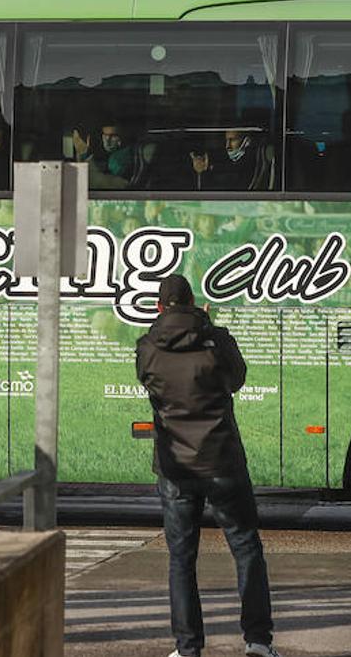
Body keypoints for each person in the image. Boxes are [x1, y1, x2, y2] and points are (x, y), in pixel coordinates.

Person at [135, 274, 278, 657]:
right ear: (193, 301)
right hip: (222, 461)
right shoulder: (216, 342)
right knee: (246, 548)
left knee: (182, 559)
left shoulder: (148, 347)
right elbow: (237, 379)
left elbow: (148, 378)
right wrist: (209, 326)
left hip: (175, 467)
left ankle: (187, 648)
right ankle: (258, 641)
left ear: (158, 307)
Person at [190, 130, 274, 191]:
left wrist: (209, 167)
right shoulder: (225, 159)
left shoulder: (255, 158)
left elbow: (239, 167)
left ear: (246, 141)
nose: (228, 146)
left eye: (233, 140)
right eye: (226, 140)